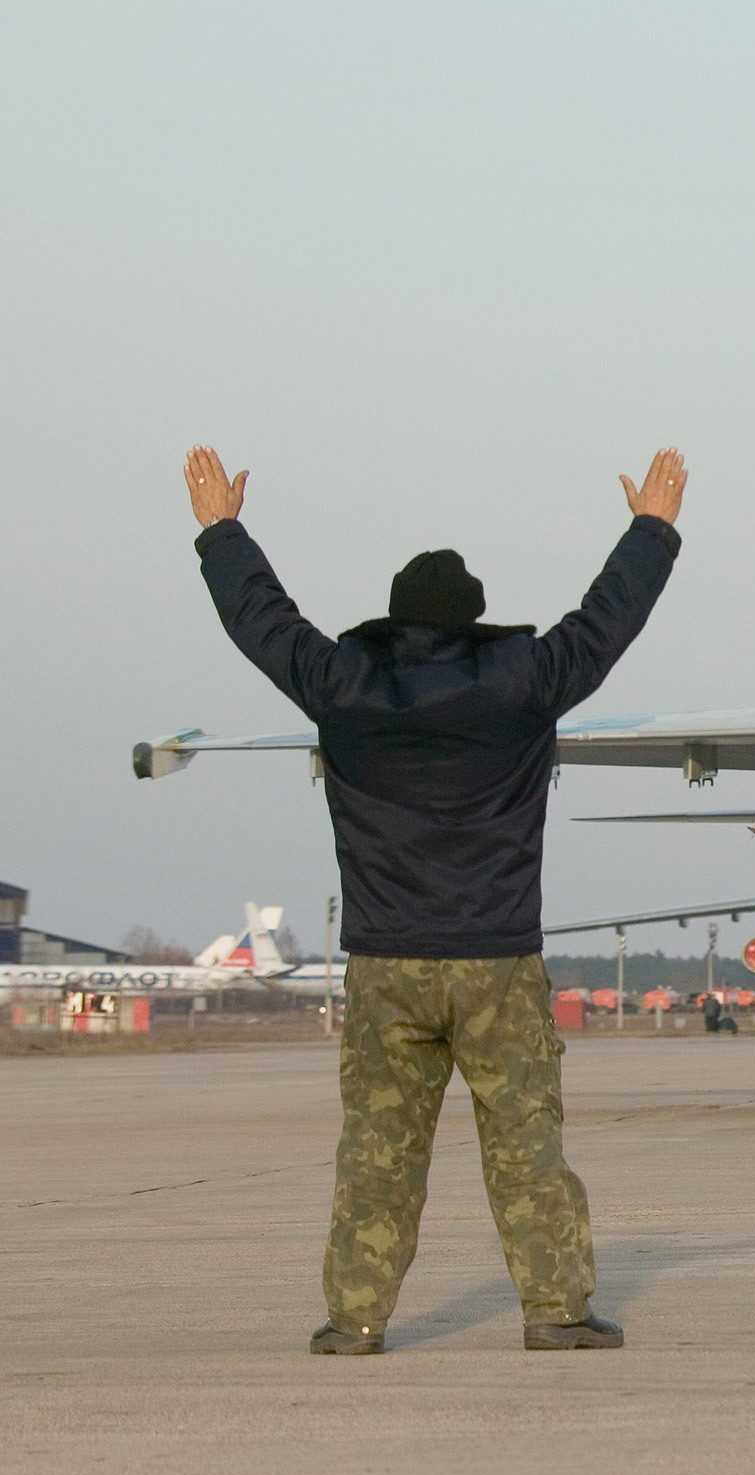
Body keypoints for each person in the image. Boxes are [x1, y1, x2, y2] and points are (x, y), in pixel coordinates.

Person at [181, 442, 686, 1355]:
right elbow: (605, 623)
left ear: (394, 618)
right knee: (526, 1141)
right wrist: (651, 528)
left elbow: (264, 623)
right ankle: (556, 1311)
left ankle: (356, 1319)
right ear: (476, 620)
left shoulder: (343, 683)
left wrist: (221, 530)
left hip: (387, 961)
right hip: (497, 960)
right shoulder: (524, 681)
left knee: (377, 1153)